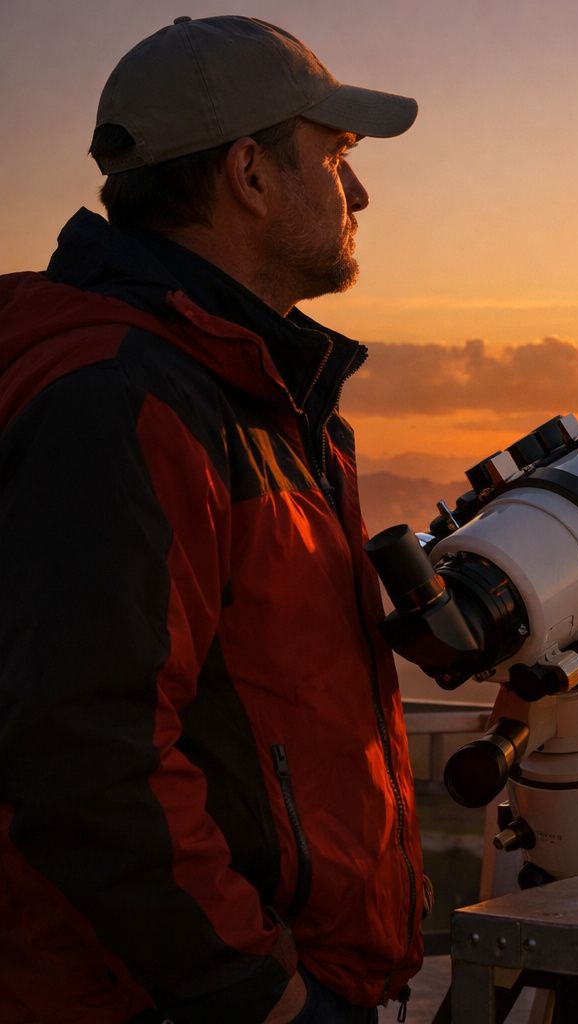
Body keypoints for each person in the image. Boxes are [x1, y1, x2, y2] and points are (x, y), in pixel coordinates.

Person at [0, 16, 425, 1024]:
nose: (359, 194)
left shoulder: (252, 388)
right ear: (251, 173)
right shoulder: (126, 400)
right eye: (336, 157)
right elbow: (88, 756)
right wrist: (262, 994)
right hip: (170, 998)